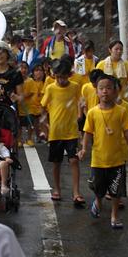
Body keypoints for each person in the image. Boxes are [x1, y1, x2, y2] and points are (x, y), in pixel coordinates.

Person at [79, 75, 128, 229]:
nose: (105, 92)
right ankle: (98, 200)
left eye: (109, 88)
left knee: (116, 190)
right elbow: (88, 133)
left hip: (117, 159)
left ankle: (114, 215)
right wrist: (84, 148)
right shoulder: (92, 113)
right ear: (96, 92)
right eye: (101, 88)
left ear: (115, 92)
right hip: (98, 159)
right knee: (98, 187)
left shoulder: (121, 112)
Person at [41, 57, 84, 206]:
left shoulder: (75, 86)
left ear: (69, 75)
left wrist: (80, 114)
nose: (61, 80)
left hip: (71, 131)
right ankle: (57, 189)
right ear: (54, 75)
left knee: (74, 160)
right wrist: (44, 126)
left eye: (64, 77)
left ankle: (76, 192)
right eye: (58, 77)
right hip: (56, 132)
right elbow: (43, 107)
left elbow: (80, 101)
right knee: (56, 162)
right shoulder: (50, 88)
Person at [96, 39, 128, 105]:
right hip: (105, 101)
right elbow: (95, 84)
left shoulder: (127, 65)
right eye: (116, 49)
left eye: (121, 49)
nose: (119, 51)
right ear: (110, 50)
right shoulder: (101, 64)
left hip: (122, 100)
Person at [20, 61, 44, 147]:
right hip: (19, 106)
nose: (23, 70)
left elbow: (31, 92)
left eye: (25, 68)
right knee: (19, 124)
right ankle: (19, 139)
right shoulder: (16, 80)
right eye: (21, 68)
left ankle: (29, 139)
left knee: (30, 123)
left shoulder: (30, 81)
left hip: (29, 107)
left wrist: (22, 96)